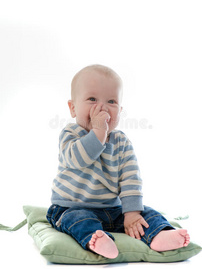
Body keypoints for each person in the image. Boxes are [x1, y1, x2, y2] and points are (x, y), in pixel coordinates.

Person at [47, 64, 190, 259]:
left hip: (112, 210)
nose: (102, 107)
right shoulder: (70, 134)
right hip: (71, 206)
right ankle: (97, 240)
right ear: (73, 108)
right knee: (78, 220)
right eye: (92, 99)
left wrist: (131, 213)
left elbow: (131, 178)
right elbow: (78, 160)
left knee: (144, 213)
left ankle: (159, 234)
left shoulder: (121, 141)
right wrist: (98, 133)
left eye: (111, 101)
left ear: (120, 111)